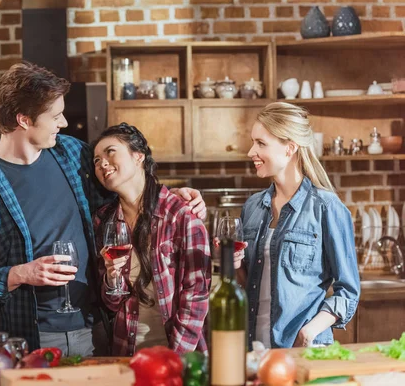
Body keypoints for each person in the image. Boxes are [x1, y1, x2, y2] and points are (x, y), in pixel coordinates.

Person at [0, 62, 206, 355]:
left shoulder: (71, 153)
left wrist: (170, 196)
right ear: (24, 120)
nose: (62, 123)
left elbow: (124, 187)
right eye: (55, 116)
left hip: (102, 326)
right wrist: (21, 273)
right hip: (35, 335)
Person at [237, 102, 360, 349]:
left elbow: (348, 292)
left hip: (301, 350)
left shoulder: (326, 207)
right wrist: (233, 265)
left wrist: (309, 331)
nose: (251, 151)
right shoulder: (252, 207)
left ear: (290, 148)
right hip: (253, 349)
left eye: (261, 143)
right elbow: (247, 283)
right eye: (253, 142)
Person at [93, 123, 211, 356]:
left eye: (110, 152)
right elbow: (110, 304)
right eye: (96, 160)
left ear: (138, 157)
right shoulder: (103, 220)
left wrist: (176, 358)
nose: (102, 163)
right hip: (127, 352)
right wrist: (111, 279)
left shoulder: (181, 213)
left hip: (177, 353)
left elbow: (196, 295)